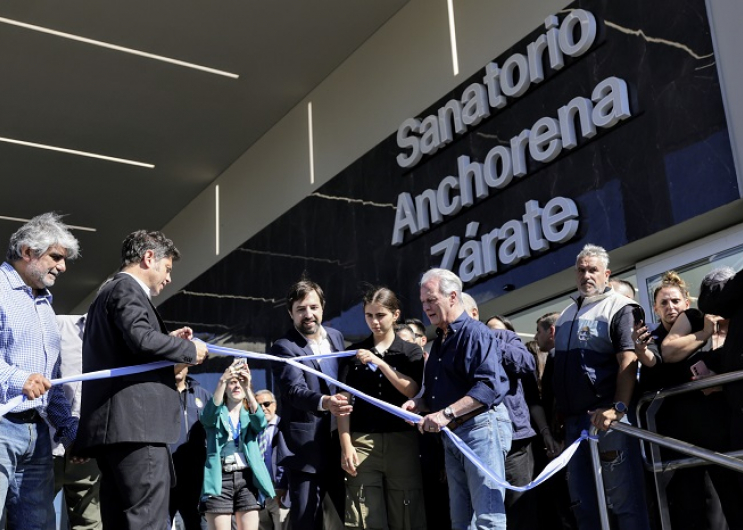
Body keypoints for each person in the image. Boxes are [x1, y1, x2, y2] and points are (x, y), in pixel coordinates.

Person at [76, 230, 208, 530]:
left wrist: (166, 341)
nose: (169, 278)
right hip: (138, 429)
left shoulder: (107, 293)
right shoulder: (126, 289)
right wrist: (188, 350)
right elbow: (140, 338)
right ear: (149, 257)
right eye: (168, 268)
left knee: (121, 520)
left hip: (119, 433)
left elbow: (131, 345)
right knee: (147, 521)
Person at [403, 268, 512, 530]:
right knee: (461, 522)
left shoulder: (476, 333)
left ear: (452, 297)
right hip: (452, 436)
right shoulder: (439, 342)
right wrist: (420, 404)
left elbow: (487, 387)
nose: (426, 308)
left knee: (488, 518)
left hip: (479, 430)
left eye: (431, 300)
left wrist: (445, 414)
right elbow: (440, 392)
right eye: (423, 302)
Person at [635, 270, 743, 530]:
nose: (670, 307)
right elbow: (661, 357)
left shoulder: (698, 319)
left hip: (716, 431)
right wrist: (642, 353)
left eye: (675, 301)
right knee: (689, 510)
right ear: (655, 309)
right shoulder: (652, 338)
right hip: (675, 438)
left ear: (687, 303)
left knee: (728, 504)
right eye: (663, 303)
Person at [552, 244, 650, 530]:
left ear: (607, 274)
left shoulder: (620, 306)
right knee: (583, 505)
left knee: (624, 503)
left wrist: (618, 407)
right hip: (574, 425)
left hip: (607, 421)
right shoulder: (567, 314)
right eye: (581, 270)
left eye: (593, 269)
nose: (586, 275)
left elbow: (628, 359)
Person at [0, 212, 80, 530]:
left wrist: (66, 427)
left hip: (38, 433)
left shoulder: (46, 304)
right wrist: (20, 379)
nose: (62, 267)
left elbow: (53, 376)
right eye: (56, 257)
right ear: (27, 252)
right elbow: (30, 379)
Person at [338, 287, 426, 530]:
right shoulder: (352, 353)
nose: (374, 322)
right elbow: (343, 401)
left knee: (407, 511)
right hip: (362, 442)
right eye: (369, 316)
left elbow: (413, 391)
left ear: (395, 315)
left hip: (402, 440)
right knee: (363, 513)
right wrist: (346, 444)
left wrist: (380, 363)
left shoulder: (410, 351)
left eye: (380, 315)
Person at [270, 279, 352, 530]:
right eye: (301, 309)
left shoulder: (336, 337)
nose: (309, 314)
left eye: (313, 307)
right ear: (290, 313)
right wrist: (325, 402)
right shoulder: (284, 347)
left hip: (341, 446)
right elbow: (293, 391)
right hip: (305, 452)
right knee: (307, 521)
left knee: (352, 517)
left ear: (323, 308)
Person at [463, 294, 538, 530]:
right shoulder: (455, 343)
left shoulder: (503, 337)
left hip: (515, 438)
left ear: (474, 314)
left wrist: (491, 340)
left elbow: (526, 363)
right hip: (477, 439)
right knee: (486, 510)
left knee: (520, 506)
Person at [200, 360, 274, 530]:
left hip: (246, 478)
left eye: (240, 382)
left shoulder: (249, 415)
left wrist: (248, 389)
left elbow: (261, 423)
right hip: (219, 478)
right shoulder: (217, 414)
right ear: (225, 388)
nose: (236, 386)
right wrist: (222, 381)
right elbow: (208, 417)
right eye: (232, 383)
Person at [53, 314, 103, 530]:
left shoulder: (121, 341)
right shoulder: (57, 325)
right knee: (31, 520)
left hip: (90, 454)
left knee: (91, 524)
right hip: (47, 448)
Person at [171, 364, 213, 530]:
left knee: (197, 523)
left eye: (182, 362)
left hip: (196, 475)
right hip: (167, 473)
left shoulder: (203, 395)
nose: (178, 367)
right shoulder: (159, 393)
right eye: (174, 362)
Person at [255, 389, 290, 530]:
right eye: (259, 405)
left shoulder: (285, 427)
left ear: (274, 405)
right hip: (258, 493)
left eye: (267, 404)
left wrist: (284, 487)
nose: (263, 408)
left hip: (279, 491)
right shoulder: (251, 431)